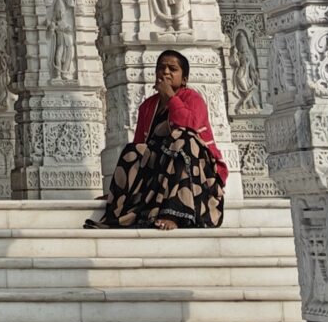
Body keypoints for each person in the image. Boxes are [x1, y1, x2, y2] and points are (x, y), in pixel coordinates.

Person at [87, 49, 227, 230]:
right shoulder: (148, 106)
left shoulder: (193, 98)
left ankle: (174, 214)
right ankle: (120, 202)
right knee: (133, 150)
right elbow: (141, 145)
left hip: (197, 170)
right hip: (161, 169)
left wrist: (171, 97)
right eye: (161, 68)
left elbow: (189, 125)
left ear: (184, 79)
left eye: (172, 69)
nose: (165, 72)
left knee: (181, 138)